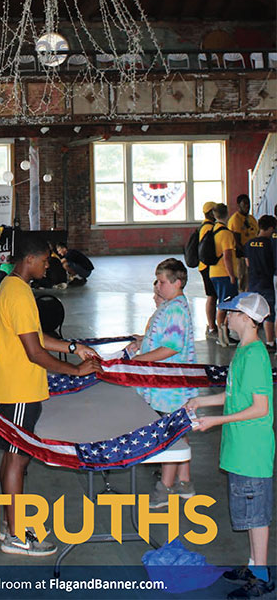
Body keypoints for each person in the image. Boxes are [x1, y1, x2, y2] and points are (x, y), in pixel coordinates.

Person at [0, 234, 101, 556]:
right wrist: (75, 370)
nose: (47, 265)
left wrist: (72, 347)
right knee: (17, 459)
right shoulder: (19, 294)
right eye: (44, 261)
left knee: (14, 457)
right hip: (20, 389)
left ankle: (11, 522)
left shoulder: (12, 287)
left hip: (14, 386)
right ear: (30, 260)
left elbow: (34, 336)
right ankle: (15, 535)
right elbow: (34, 352)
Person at [187, 293, 274, 600]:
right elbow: (233, 395)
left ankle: (261, 575)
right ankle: (253, 566)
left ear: (248, 320)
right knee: (248, 514)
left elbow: (260, 408)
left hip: (252, 452)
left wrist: (215, 422)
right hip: (240, 449)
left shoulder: (256, 357)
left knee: (256, 517)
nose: (227, 317)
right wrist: (203, 400)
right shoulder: (243, 351)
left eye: (233, 313)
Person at [128, 258, 198, 506]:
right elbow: (162, 338)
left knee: (169, 435)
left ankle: (164, 489)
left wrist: (140, 360)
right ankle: (184, 481)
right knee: (179, 431)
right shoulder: (171, 306)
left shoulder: (176, 309)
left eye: (162, 282)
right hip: (169, 384)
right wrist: (142, 340)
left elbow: (171, 347)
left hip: (171, 386)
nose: (157, 286)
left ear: (177, 283)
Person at [244, 215, 276, 351]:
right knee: (269, 313)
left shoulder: (249, 243)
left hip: (253, 282)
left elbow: (247, 263)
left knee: (253, 313)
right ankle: (270, 343)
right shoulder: (270, 244)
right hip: (267, 283)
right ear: (270, 228)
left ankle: (251, 340)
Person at [210, 203, 238, 347]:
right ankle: (222, 337)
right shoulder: (225, 233)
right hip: (223, 274)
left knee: (224, 303)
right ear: (227, 213)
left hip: (214, 272)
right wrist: (232, 274)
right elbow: (227, 256)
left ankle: (224, 334)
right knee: (224, 304)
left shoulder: (214, 229)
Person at [228, 195, 259, 292]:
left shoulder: (252, 219)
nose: (247, 206)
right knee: (243, 278)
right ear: (238, 205)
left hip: (253, 254)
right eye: (244, 204)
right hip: (241, 256)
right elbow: (237, 241)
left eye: (248, 204)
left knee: (251, 279)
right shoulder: (235, 219)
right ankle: (241, 300)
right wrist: (247, 254)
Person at [198, 201, 219, 339]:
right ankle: (212, 326)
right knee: (212, 296)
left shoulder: (205, 226)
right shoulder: (208, 228)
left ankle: (213, 325)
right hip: (208, 267)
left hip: (205, 266)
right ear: (211, 212)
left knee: (213, 296)